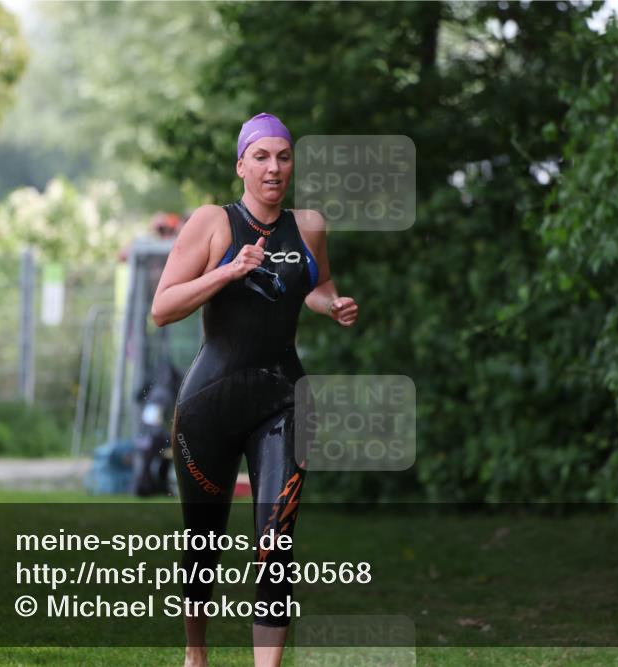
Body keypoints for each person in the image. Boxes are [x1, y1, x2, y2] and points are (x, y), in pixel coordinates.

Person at [151, 112, 358, 667]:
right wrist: (227, 271)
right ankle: (197, 655)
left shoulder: (308, 225)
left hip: (283, 399)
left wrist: (330, 303)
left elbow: (317, 282)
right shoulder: (213, 222)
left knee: (277, 541)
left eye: (283, 157)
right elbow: (162, 308)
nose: (274, 168)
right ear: (241, 164)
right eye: (261, 157)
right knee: (203, 542)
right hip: (208, 405)